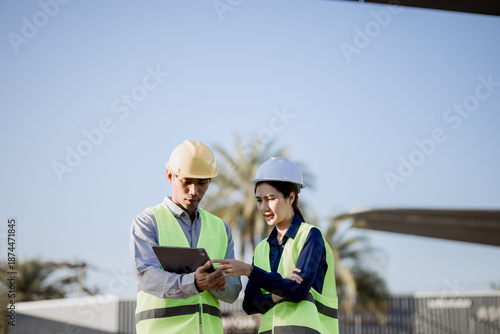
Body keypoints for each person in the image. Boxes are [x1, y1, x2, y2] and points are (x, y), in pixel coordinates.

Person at [214, 157, 339, 334]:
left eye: (271, 198)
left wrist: (250, 271)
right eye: (259, 200)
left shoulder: (310, 236)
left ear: (291, 198)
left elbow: (297, 291)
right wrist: (278, 293)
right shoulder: (262, 248)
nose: (264, 207)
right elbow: (249, 304)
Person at [130, 140, 242, 334]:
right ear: (169, 176)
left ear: (210, 181)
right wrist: (195, 283)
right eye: (186, 181)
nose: (194, 191)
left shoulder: (221, 229)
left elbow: (233, 292)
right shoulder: (147, 222)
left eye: (201, 183)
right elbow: (147, 276)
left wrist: (216, 282)